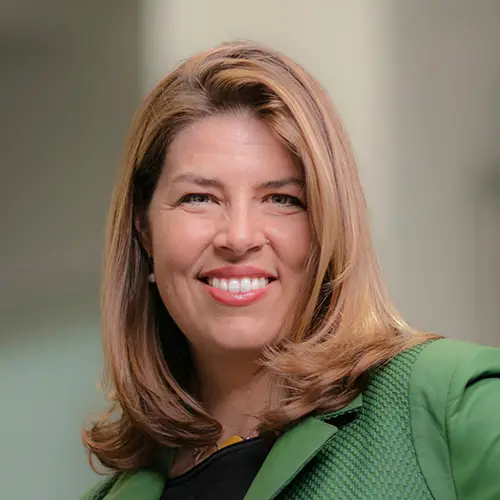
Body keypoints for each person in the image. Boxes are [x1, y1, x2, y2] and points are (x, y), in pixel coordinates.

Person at [80, 41, 500, 500]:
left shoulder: (453, 406)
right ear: (144, 229)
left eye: (282, 199)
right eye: (199, 198)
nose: (238, 237)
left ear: (329, 226)